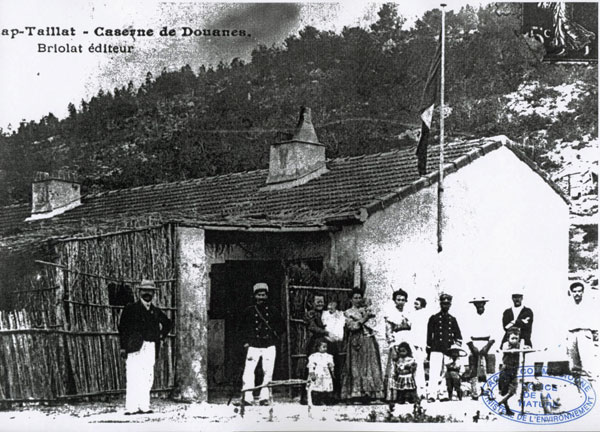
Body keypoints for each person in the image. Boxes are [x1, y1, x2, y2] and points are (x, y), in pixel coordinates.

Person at [118, 279, 173, 415]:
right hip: (134, 347)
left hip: (150, 347)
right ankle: (131, 407)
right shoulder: (130, 309)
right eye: (144, 291)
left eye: (150, 291)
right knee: (133, 375)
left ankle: (144, 406)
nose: (147, 293)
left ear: (153, 293)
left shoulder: (155, 311)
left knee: (147, 377)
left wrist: (161, 336)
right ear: (140, 292)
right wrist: (123, 347)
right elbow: (122, 329)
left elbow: (168, 323)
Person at [239, 282, 285, 406]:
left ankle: (264, 398)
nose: (261, 298)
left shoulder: (273, 311)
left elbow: (281, 326)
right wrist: (246, 342)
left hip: (269, 345)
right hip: (253, 345)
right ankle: (247, 397)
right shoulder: (249, 311)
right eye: (258, 295)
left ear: (267, 296)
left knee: (268, 371)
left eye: (263, 295)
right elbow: (241, 328)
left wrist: (274, 336)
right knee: (248, 371)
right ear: (254, 296)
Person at [341, 288, 384, 402]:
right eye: (355, 298)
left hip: (368, 340)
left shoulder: (367, 310)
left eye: (360, 297)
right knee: (356, 367)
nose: (358, 300)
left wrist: (368, 317)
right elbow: (353, 327)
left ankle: (371, 393)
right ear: (351, 299)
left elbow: (375, 324)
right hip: (356, 341)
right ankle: (356, 394)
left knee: (370, 366)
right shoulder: (348, 312)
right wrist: (364, 319)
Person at [426, 293, 462, 402]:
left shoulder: (452, 319)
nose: (445, 305)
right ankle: (432, 395)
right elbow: (429, 335)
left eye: (447, 303)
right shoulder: (434, 318)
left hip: (448, 350)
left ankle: (443, 394)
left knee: (444, 373)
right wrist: (428, 349)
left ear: (450, 304)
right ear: (440, 304)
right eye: (443, 303)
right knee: (434, 372)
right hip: (436, 348)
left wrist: (455, 349)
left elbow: (459, 336)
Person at [383, 289, 412, 402]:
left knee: (408, 367)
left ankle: (408, 395)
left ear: (406, 301)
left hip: (408, 340)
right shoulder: (391, 314)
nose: (400, 302)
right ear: (394, 300)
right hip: (397, 341)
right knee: (395, 368)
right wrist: (392, 344)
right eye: (398, 299)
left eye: (403, 300)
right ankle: (393, 395)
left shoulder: (408, 313)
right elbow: (388, 331)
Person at [566, 281, 597, 379]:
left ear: (583, 292)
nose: (577, 294)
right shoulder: (568, 305)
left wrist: (595, 332)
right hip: (571, 334)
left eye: (579, 291)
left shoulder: (589, 304)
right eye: (574, 291)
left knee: (587, 362)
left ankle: (592, 386)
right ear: (571, 292)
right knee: (574, 365)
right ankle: (577, 390)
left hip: (584, 333)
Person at [466, 296, 496, 399]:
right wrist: (472, 346)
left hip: (488, 343)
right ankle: (475, 392)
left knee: (490, 367)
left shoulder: (491, 316)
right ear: (474, 305)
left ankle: (491, 391)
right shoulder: (469, 317)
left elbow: (495, 333)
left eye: (481, 303)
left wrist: (487, 346)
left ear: (485, 304)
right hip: (474, 343)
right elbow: (465, 334)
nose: (479, 306)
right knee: (473, 367)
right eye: (477, 304)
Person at [322, 300, 345, 398]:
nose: (331, 308)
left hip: (336, 343)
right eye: (329, 305)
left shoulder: (340, 315)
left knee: (335, 367)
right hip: (325, 342)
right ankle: (324, 394)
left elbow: (340, 327)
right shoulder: (324, 315)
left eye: (333, 306)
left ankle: (335, 394)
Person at [498, 327, 523, 416]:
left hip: (514, 370)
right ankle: (507, 409)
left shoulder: (519, 345)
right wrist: (511, 351)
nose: (514, 340)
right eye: (512, 338)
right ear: (508, 338)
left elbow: (524, 348)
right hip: (506, 370)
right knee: (504, 391)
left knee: (513, 390)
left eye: (516, 338)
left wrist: (526, 347)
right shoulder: (505, 344)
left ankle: (500, 402)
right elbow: (505, 349)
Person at [410, 296, 428, 398]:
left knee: (419, 367)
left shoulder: (422, 315)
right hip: (415, 342)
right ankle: (417, 390)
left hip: (420, 343)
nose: (414, 306)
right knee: (417, 367)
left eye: (417, 304)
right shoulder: (414, 314)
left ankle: (421, 391)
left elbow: (421, 331)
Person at [307, 340, 335, 405]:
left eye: (326, 347)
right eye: (323, 347)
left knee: (326, 385)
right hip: (317, 372)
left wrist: (332, 369)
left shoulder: (328, 356)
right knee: (316, 386)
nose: (325, 348)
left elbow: (330, 364)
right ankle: (316, 400)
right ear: (318, 348)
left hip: (325, 373)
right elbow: (311, 365)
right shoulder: (314, 356)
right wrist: (311, 373)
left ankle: (326, 400)